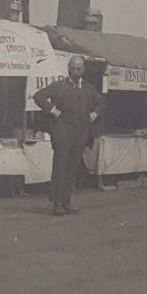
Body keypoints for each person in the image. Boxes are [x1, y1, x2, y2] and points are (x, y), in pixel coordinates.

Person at [32, 54, 103, 217]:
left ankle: (66, 202)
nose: (75, 71)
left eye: (78, 69)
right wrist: (52, 110)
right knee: (60, 166)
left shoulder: (88, 89)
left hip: (81, 132)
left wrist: (95, 113)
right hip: (63, 132)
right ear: (68, 69)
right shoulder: (58, 86)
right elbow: (39, 96)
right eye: (73, 68)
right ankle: (57, 203)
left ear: (83, 70)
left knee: (73, 168)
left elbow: (101, 102)